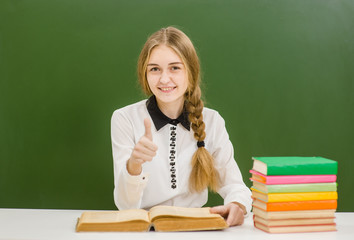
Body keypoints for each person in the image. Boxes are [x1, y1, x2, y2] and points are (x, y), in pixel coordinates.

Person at [111, 26, 252, 226]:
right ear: (145, 73)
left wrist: (238, 205)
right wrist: (133, 165)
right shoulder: (124, 118)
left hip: (195, 229)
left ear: (190, 71)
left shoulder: (212, 121)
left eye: (174, 68)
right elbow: (125, 205)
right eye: (154, 69)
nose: (164, 79)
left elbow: (236, 186)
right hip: (144, 230)